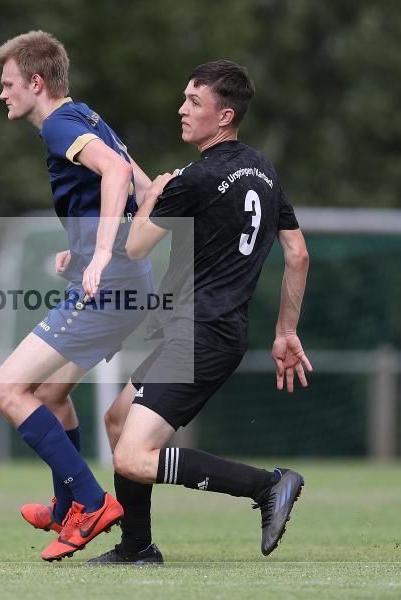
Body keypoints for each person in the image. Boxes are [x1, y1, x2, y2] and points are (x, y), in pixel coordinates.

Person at [87, 60, 312, 564]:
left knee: (133, 456)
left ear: (225, 115)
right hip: (208, 332)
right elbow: (297, 254)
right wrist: (286, 332)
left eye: (194, 102)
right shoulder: (263, 170)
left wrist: (152, 196)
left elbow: (136, 247)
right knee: (118, 420)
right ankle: (137, 547)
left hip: (199, 334)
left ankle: (266, 485)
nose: (182, 110)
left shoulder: (196, 177)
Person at [0, 31, 155, 561]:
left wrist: (102, 253)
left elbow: (119, 173)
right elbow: (146, 189)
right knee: (51, 395)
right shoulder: (85, 116)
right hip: (128, 281)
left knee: (6, 389)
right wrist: (83, 248)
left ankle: (91, 501)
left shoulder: (61, 124)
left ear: (36, 82)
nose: (3, 93)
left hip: (111, 285)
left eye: (9, 83)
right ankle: (65, 509)